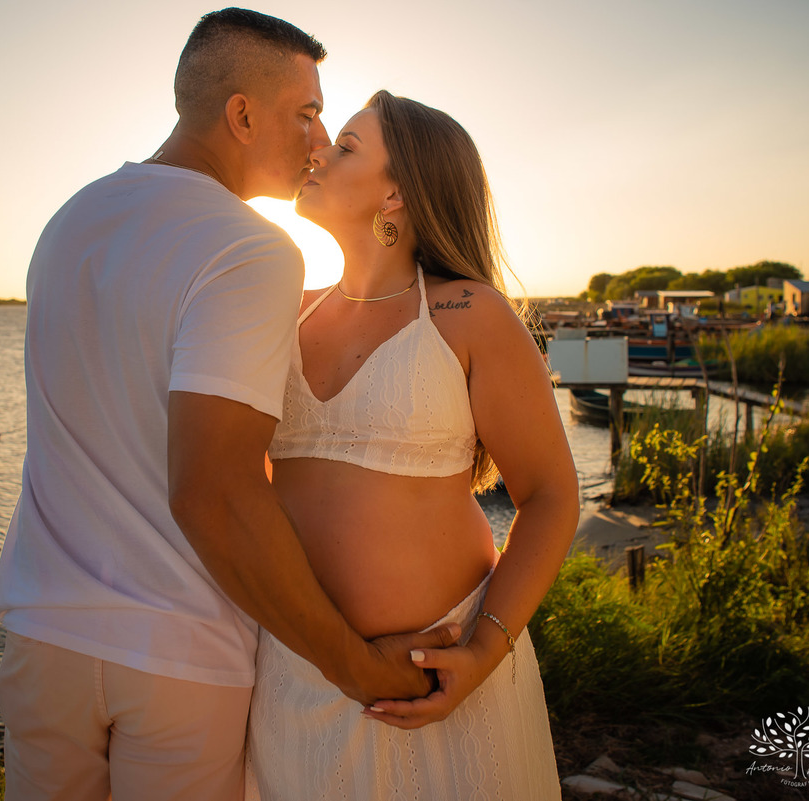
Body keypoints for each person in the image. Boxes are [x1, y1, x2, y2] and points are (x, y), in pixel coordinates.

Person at [0, 11, 455, 801]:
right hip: (175, 659)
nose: (317, 140)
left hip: (42, 636)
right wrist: (352, 662)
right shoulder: (247, 247)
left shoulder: (68, 222)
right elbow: (215, 488)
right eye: (306, 114)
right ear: (241, 114)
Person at [246, 91, 580, 799]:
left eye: (345, 147)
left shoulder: (467, 314)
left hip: (443, 676)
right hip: (296, 675)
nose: (317, 154)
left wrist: (486, 646)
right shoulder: (285, 313)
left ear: (395, 192)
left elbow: (551, 496)